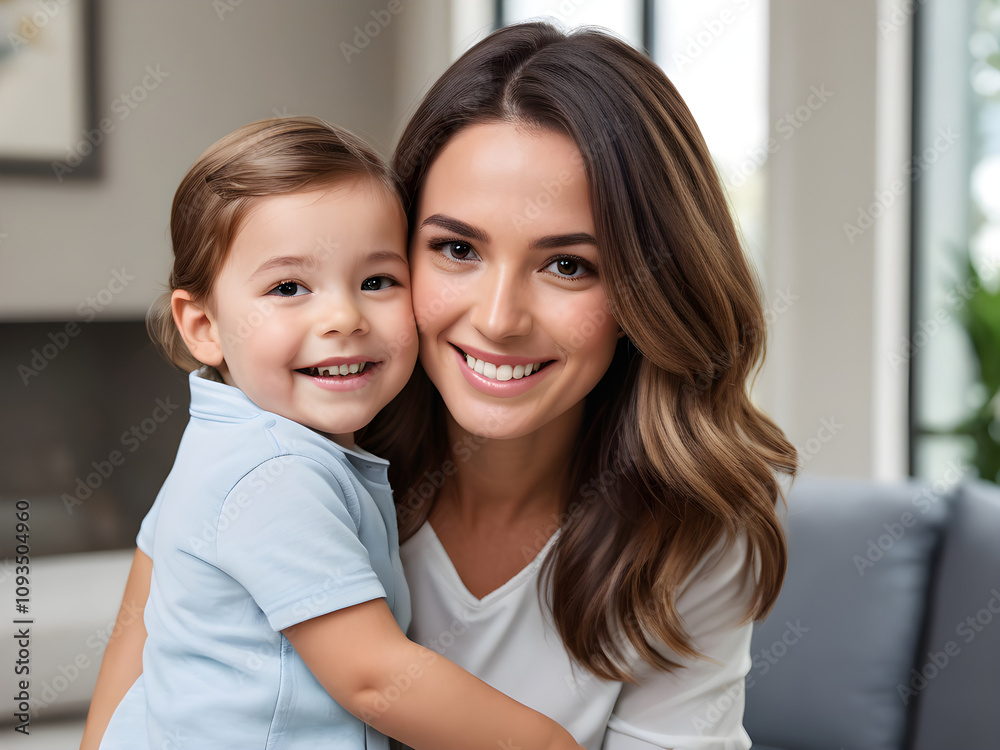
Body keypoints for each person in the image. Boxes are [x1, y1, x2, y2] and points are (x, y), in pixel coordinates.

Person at [86, 22, 797, 750]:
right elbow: (123, 710)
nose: (498, 320)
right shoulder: (275, 455)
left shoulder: (688, 529)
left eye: (568, 265)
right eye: (457, 249)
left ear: (649, 289)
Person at [86, 116, 584, 750]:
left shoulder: (223, 442)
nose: (344, 317)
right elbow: (374, 678)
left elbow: (138, 628)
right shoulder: (275, 475)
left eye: (376, 281)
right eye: (289, 287)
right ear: (203, 325)